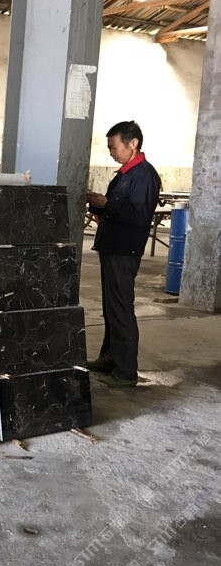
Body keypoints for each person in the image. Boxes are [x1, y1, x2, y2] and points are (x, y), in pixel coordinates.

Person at [85, 121, 161, 387]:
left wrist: (108, 204)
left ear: (133, 143)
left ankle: (126, 371)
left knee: (120, 308)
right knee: (111, 307)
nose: (111, 153)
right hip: (112, 246)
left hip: (124, 250)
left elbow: (139, 216)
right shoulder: (125, 174)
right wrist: (99, 206)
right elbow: (117, 210)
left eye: (113, 147)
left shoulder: (144, 175)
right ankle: (110, 358)